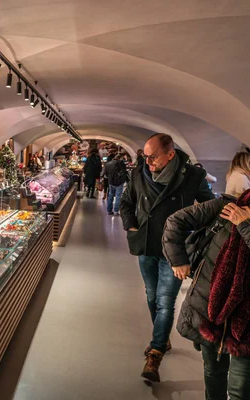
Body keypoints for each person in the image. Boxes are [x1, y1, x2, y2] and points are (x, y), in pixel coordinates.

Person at [120, 133, 214, 383]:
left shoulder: (193, 176)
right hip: (147, 244)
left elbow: (209, 208)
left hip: (175, 250)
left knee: (165, 300)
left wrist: (194, 233)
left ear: (170, 154)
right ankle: (162, 337)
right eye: (145, 157)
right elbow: (126, 203)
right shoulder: (139, 172)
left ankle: (156, 350)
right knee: (151, 296)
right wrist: (132, 228)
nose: (148, 162)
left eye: (153, 157)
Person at [162, 153, 250, 399]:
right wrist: (178, 260)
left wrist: (245, 225)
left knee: (240, 389)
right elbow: (175, 222)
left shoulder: (241, 217)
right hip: (211, 310)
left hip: (245, 323)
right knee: (213, 371)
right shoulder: (227, 206)